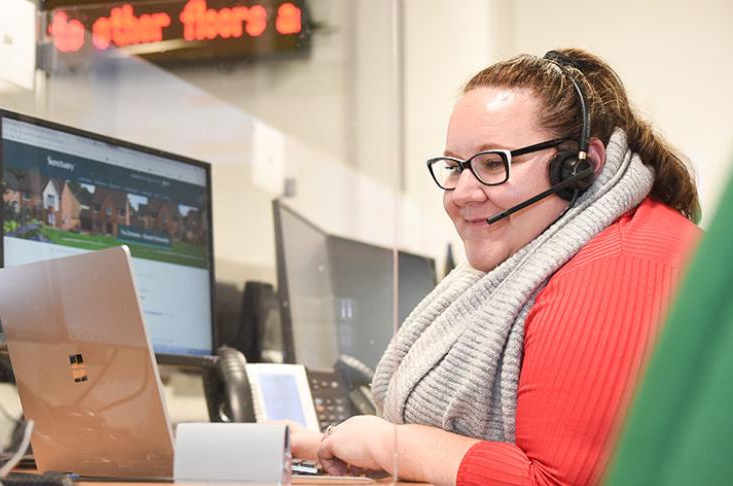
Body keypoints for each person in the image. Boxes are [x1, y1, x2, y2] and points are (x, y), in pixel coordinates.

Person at [287, 48, 702, 485]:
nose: (462, 192)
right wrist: (329, 446)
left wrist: (392, 445)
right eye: (454, 166)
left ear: (580, 167)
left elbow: (558, 482)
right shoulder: (560, 246)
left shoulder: (619, 265)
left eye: (492, 163)